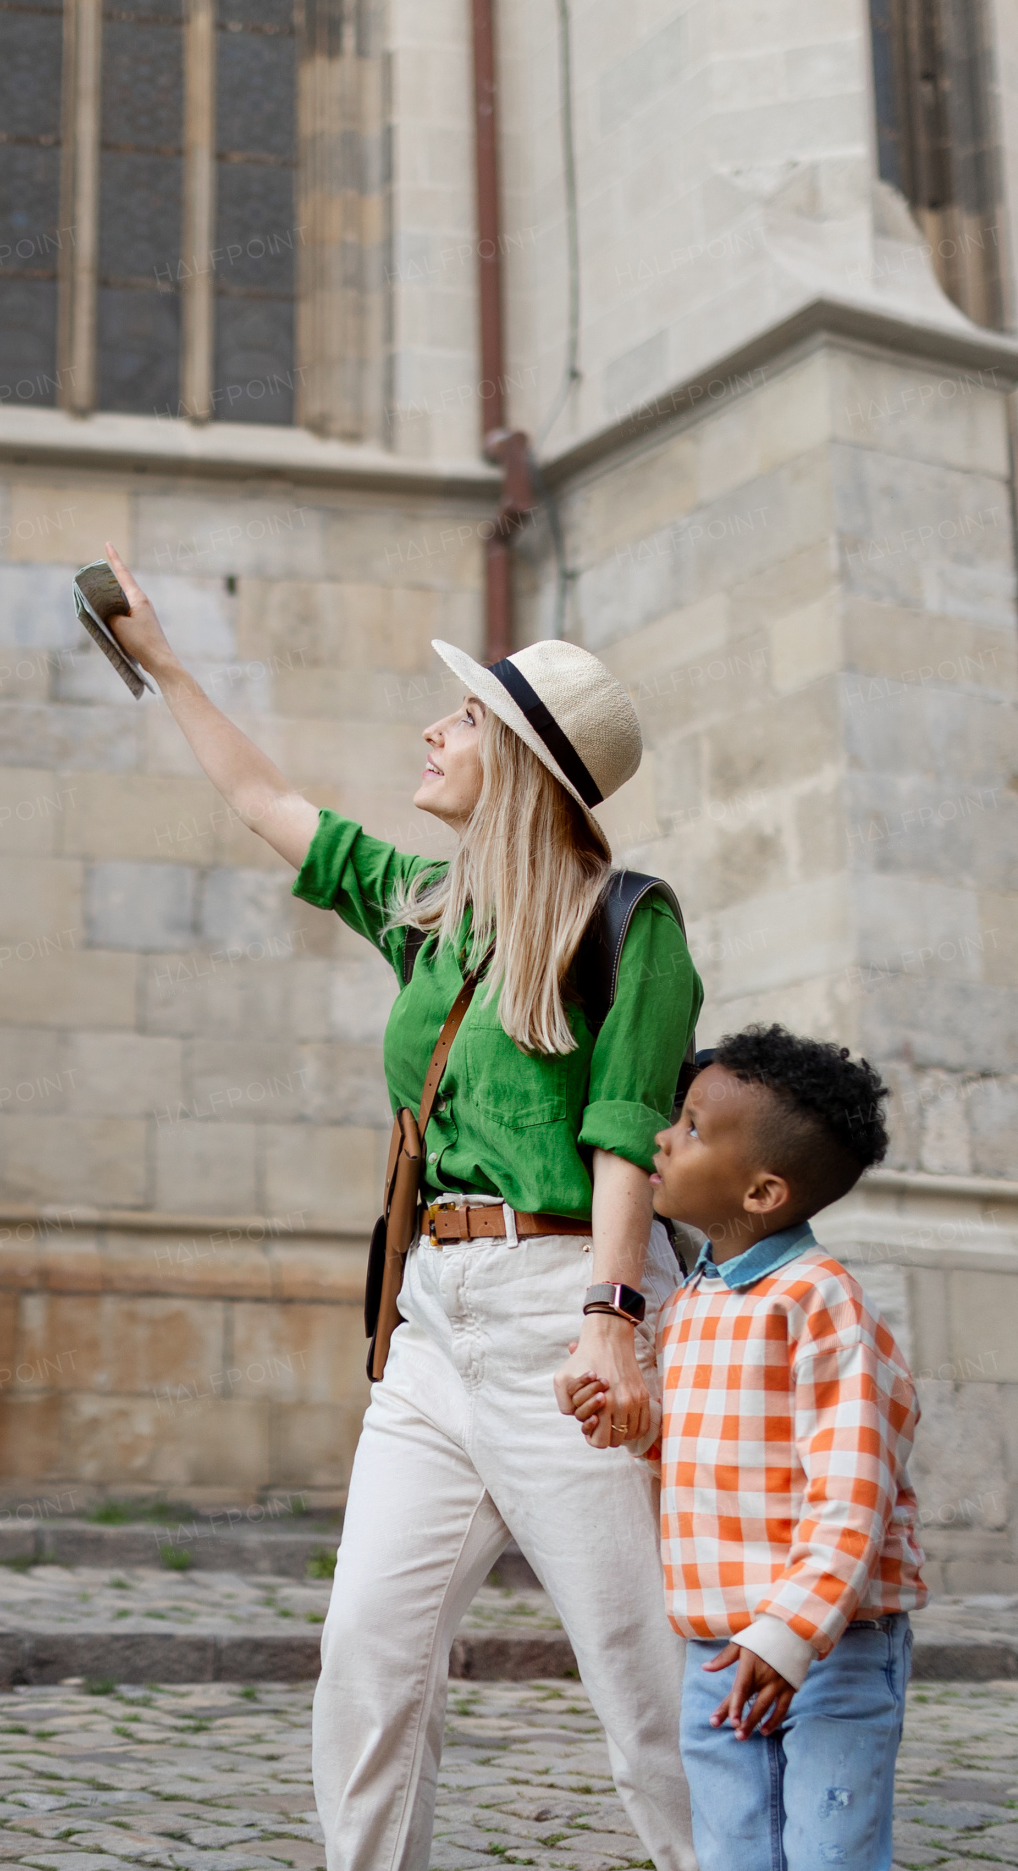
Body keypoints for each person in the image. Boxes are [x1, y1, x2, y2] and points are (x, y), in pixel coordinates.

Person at [102, 540, 701, 1871]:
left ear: (526, 768)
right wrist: (165, 665)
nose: (433, 730)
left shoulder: (631, 925)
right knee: (367, 1659)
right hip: (434, 1327)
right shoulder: (431, 914)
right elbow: (266, 800)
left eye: (465, 718)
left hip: (569, 1318)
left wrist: (614, 1314)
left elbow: (625, 1134)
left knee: (643, 1679)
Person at [571, 1024, 928, 1871]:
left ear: (763, 1191)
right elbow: (698, 1450)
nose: (661, 1135)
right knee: (733, 1846)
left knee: (830, 1848)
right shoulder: (693, 1302)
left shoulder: (819, 1301)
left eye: (691, 1127)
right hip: (715, 1642)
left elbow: (855, 1492)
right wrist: (635, 1424)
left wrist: (791, 1633)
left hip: (831, 1645)